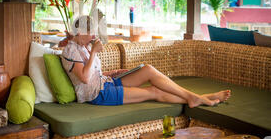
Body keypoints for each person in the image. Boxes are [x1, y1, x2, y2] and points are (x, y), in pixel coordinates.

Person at [61, 15, 231, 107]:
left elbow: (92, 74)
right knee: (154, 91)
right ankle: (199, 98)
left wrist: (110, 73)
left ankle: (196, 98)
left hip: (107, 82)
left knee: (148, 69)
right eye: (90, 32)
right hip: (98, 94)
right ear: (80, 31)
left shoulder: (84, 46)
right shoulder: (70, 50)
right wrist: (93, 54)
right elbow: (84, 78)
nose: (93, 36)